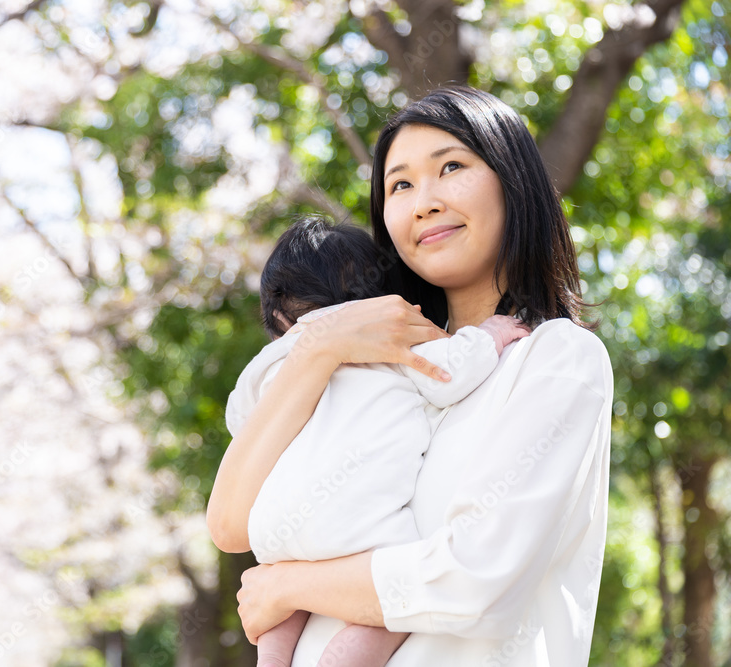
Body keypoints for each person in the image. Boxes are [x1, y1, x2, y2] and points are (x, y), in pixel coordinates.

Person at [207, 85, 613, 667]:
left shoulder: (556, 358)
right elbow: (230, 525)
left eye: (451, 167)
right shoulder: (362, 371)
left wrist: (286, 586)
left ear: (513, 182)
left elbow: (475, 580)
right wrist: (321, 347)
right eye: (400, 184)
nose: (423, 201)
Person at [226, 215, 530, 667]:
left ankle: (270, 660)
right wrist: (491, 334)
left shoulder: (274, 360)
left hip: (276, 535)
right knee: (398, 596)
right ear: (382, 293)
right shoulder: (393, 334)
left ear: (279, 317)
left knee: (279, 601)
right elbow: (450, 374)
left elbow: (241, 421)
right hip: (360, 525)